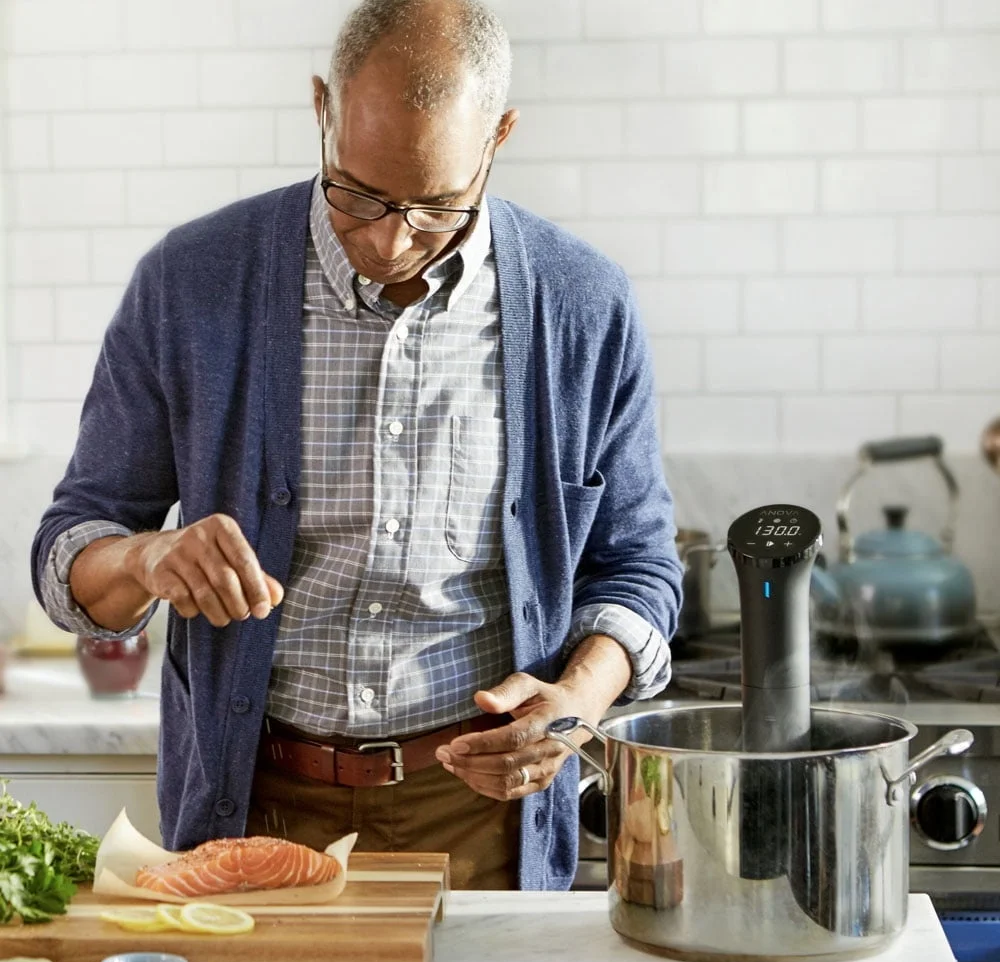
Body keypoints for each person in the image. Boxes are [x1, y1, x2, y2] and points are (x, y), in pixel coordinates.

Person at [31, 0, 683, 891]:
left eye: (437, 208)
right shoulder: (191, 284)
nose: (391, 240)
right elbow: (70, 553)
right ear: (322, 109)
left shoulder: (584, 306)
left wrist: (575, 704)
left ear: (499, 137)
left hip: (481, 816)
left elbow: (639, 568)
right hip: (252, 799)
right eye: (358, 194)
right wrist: (149, 557)